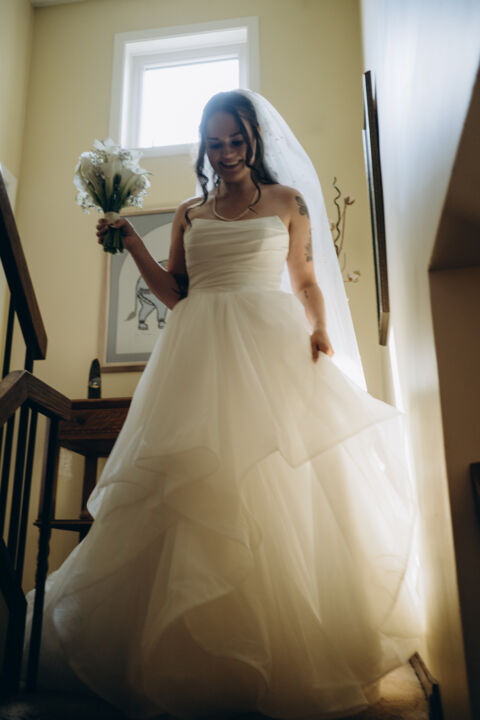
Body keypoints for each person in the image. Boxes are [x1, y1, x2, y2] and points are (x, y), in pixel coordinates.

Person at [26, 90, 422, 720]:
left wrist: (320, 328)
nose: (227, 152)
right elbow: (175, 293)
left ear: (253, 139)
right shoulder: (189, 213)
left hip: (271, 349)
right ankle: (183, 658)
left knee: (276, 485)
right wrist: (131, 241)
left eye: (236, 140)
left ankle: (284, 655)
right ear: (204, 147)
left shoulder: (288, 203)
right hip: (197, 354)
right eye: (215, 143)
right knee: (194, 488)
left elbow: (306, 281)